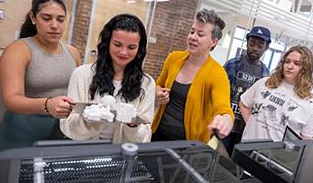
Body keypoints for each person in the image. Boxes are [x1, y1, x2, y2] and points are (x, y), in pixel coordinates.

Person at [0, 0, 82, 152]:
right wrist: (47, 104)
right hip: (21, 134)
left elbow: (78, 91)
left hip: (61, 133)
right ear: (33, 17)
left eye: (60, 19)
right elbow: (11, 99)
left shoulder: (73, 52)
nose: (55, 25)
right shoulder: (19, 50)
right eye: (47, 18)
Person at [60, 14, 155, 143]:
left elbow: (145, 138)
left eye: (131, 47)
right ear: (107, 42)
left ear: (139, 49)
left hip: (121, 155)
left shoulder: (147, 84)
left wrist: (133, 125)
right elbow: (67, 127)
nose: (123, 52)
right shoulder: (82, 74)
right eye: (117, 44)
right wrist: (89, 119)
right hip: (82, 152)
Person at [151, 9, 234, 143]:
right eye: (192, 31)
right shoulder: (174, 58)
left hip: (188, 146)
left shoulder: (217, 74)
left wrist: (226, 119)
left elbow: (223, 107)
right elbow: (158, 84)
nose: (193, 37)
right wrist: (158, 92)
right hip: (157, 135)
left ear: (213, 42)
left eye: (200, 34)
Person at [239, 45, 313, 142]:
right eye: (287, 61)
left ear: (306, 68)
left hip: (275, 155)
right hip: (246, 147)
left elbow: (306, 141)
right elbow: (243, 104)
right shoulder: (265, 83)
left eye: (297, 63)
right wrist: (251, 126)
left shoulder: (312, 105)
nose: (290, 66)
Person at [222, 26, 271, 154]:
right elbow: (219, 93)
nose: (255, 48)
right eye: (252, 43)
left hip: (246, 130)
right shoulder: (231, 65)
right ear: (247, 42)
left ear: (266, 47)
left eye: (260, 45)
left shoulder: (266, 75)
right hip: (226, 125)